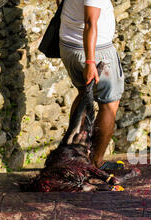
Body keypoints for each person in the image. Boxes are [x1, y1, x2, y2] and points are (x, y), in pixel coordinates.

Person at [58, 0, 124, 168]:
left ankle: (72, 156)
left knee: (83, 95)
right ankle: (96, 162)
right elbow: (89, 22)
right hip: (95, 51)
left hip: (68, 45)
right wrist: (90, 61)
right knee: (109, 104)